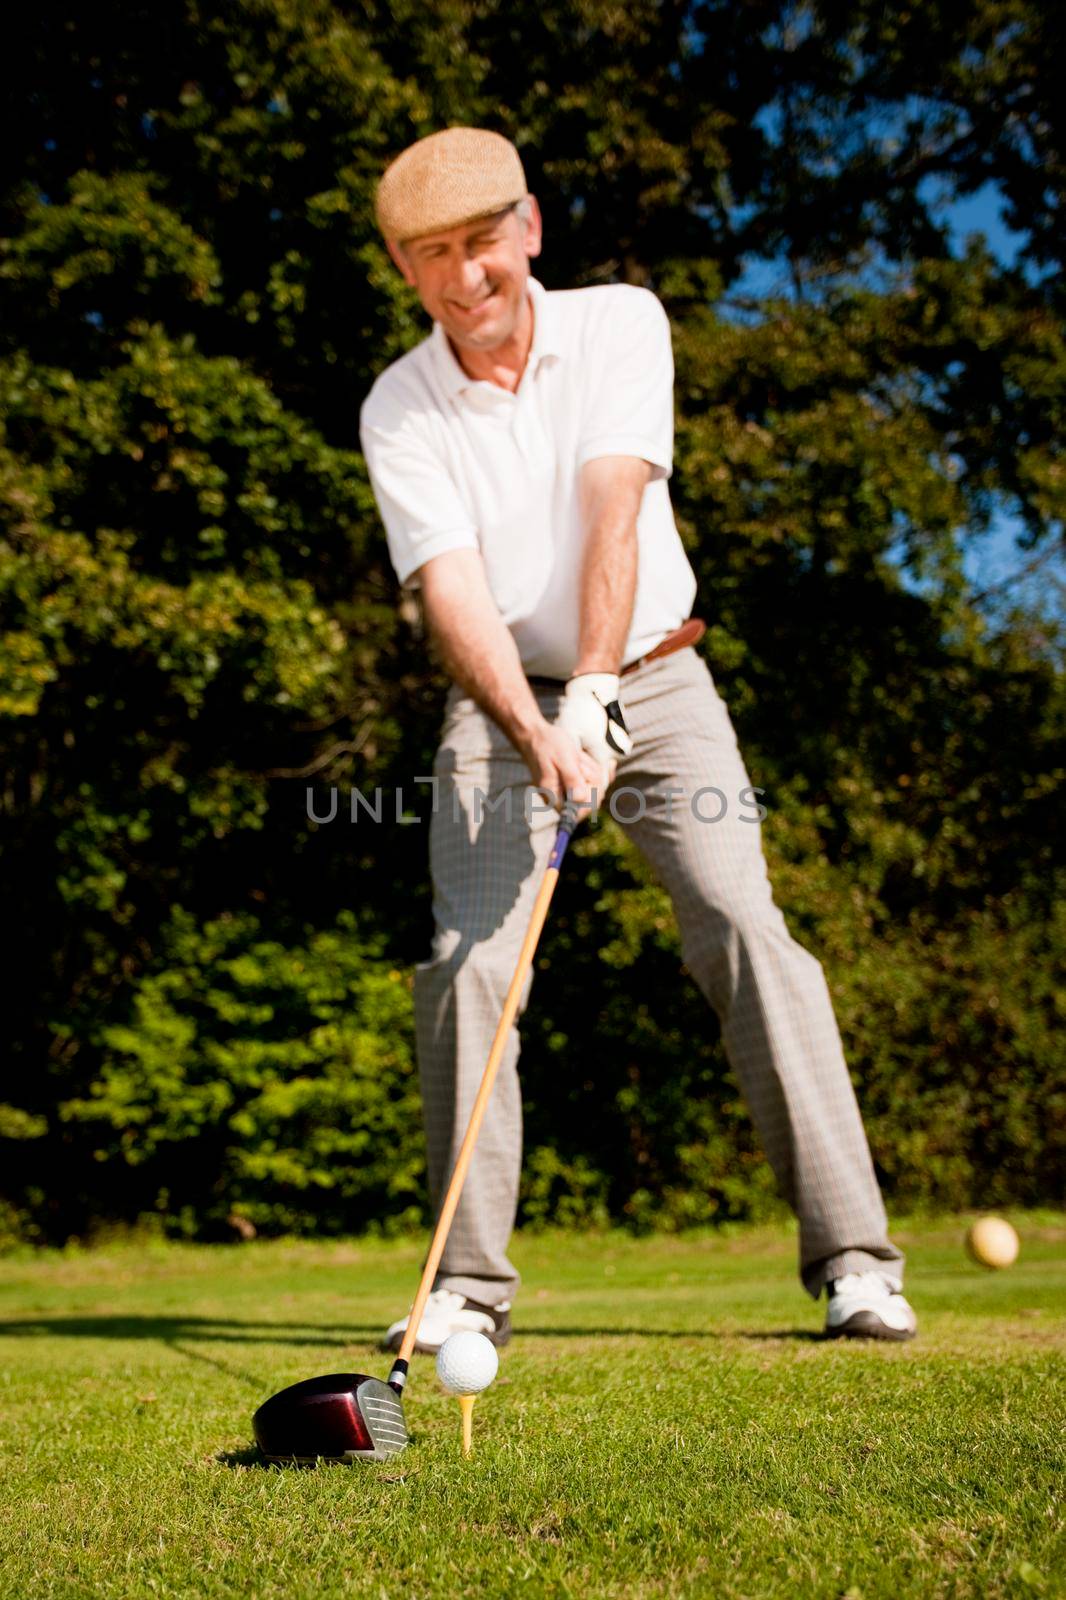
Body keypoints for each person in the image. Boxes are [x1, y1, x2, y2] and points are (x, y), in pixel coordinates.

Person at [359, 127, 916, 1349]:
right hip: (499, 706)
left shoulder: (618, 322)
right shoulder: (398, 405)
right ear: (402, 265)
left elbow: (617, 498)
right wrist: (533, 718)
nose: (462, 278)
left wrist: (598, 689)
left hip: (656, 682)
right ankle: (464, 1290)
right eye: (429, 256)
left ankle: (856, 1265)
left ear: (529, 231)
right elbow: (452, 591)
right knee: (470, 968)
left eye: (479, 244)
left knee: (742, 928)